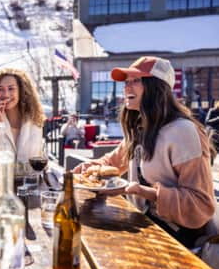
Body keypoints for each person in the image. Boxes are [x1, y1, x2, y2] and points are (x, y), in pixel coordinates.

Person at [73, 56, 218, 249]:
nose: (127, 87)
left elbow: (200, 205)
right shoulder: (141, 127)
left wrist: (147, 193)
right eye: (126, 81)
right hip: (145, 228)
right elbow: (113, 162)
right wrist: (90, 167)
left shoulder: (183, 131)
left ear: (156, 88)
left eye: (136, 81)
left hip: (178, 240)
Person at [0, 68, 45, 165]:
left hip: (29, 178)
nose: (6, 94)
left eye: (11, 88)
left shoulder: (34, 118)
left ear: (21, 91)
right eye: (0, 89)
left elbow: (39, 157)